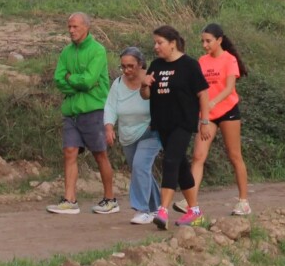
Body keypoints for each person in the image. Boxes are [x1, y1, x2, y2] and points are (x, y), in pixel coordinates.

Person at [47, 13, 118, 216]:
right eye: (69, 27)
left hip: (94, 111)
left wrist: (73, 79)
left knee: (99, 154)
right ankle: (70, 200)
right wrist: (76, 83)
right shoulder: (66, 52)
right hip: (71, 111)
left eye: (75, 27)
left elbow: (89, 80)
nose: (71, 30)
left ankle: (110, 198)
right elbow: (59, 79)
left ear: (86, 27)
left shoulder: (98, 51)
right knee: (69, 152)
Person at [141, 26, 211, 229]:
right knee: (180, 166)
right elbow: (146, 95)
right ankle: (195, 211)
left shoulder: (189, 65)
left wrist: (204, 122)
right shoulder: (155, 65)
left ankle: (162, 211)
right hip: (162, 124)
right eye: (155, 42)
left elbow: (203, 95)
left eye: (160, 42)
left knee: (170, 160)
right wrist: (144, 84)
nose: (156, 47)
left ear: (172, 43)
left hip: (183, 123)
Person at [181, 24, 252, 217]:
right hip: (207, 115)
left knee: (234, 155)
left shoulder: (229, 60)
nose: (204, 45)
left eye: (208, 41)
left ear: (219, 40)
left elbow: (229, 88)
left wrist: (212, 102)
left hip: (228, 111)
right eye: (202, 41)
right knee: (198, 156)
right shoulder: (202, 61)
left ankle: (243, 201)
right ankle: (191, 201)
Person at [103, 47, 161, 225]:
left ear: (140, 64)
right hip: (127, 133)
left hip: (150, 131)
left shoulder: (151, 78)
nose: (127, 70)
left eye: (131, 66)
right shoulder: (118, 83)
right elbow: (111, 106)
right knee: (141, 170)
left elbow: (164, 101)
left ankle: (141, 209)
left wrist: (159, 119)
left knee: (139, 166)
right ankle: (156, 208)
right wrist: (109, 127)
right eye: (123, 66)